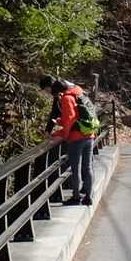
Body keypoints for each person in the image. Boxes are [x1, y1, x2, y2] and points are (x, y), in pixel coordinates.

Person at [42, 75, 93, 206]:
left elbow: (70, 119)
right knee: (87, 167)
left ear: (58, 91)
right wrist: (59, 122)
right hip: (89, 134)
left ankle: (76, 197)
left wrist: (62, 135)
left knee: (76, 168)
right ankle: (88, 196)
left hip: (76, 138)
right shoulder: (78, 90)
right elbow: (75, 115)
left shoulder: (66, 98)